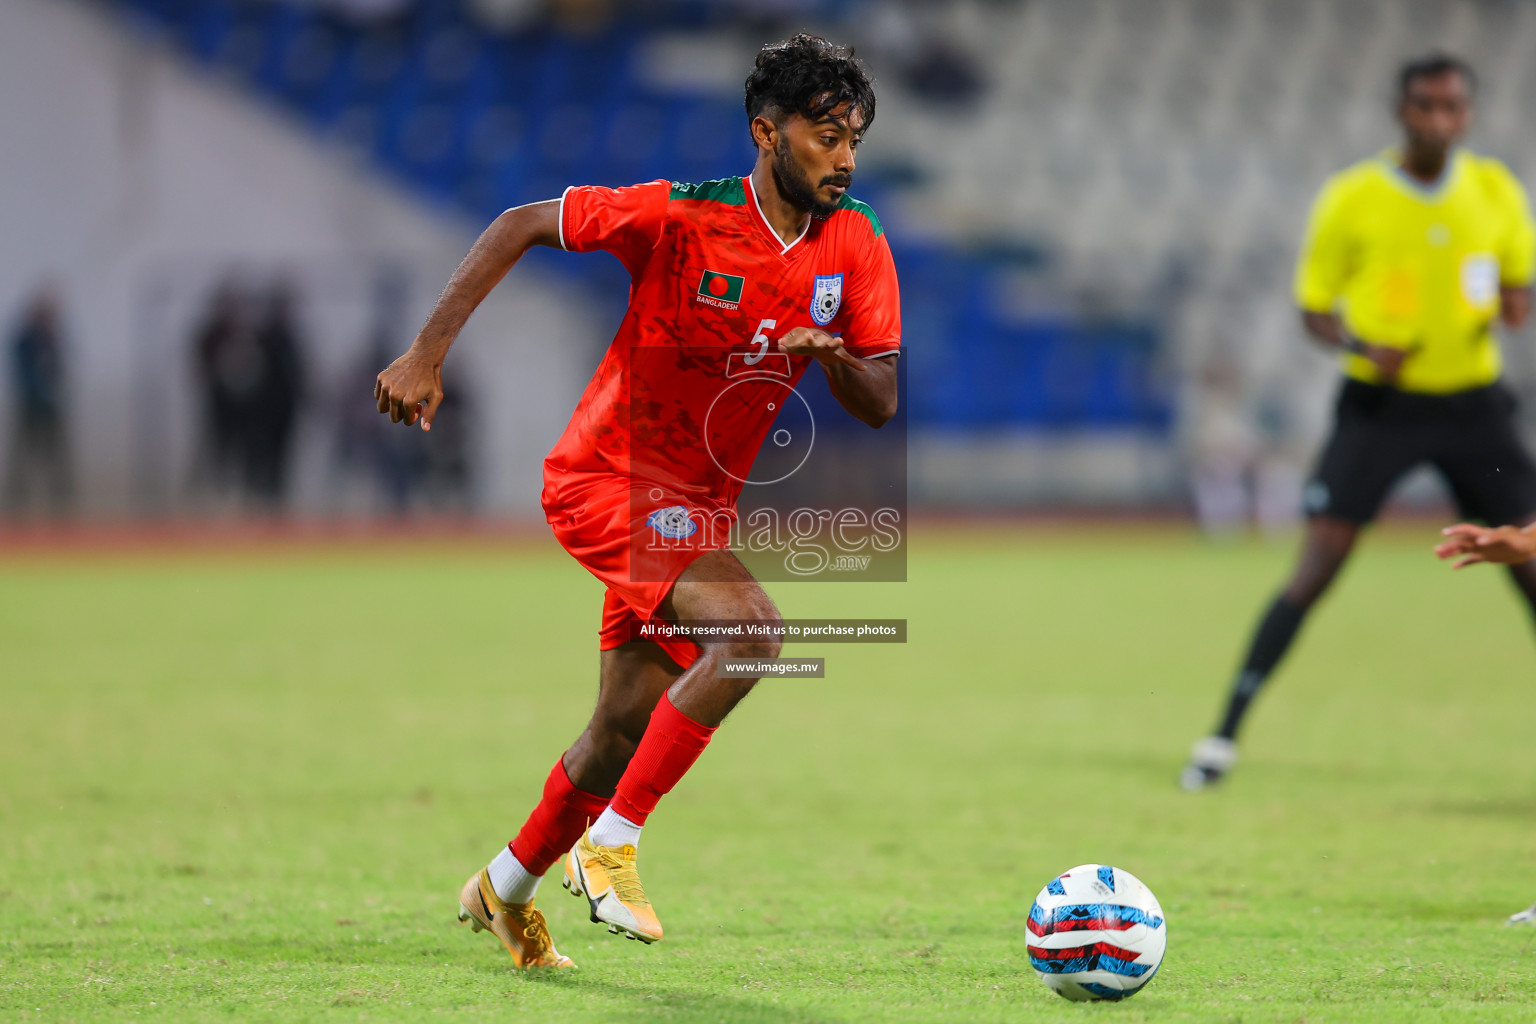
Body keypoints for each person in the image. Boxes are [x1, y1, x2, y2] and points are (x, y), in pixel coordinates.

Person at [373, 35, 900, 967]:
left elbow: (880, 401)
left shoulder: (854, 242)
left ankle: (502, 889)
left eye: (855, 136)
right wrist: (425, 355)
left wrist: (835, 358)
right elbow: (520, 222)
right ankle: (611, 845)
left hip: (694, 513)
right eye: (826, 135)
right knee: (754, 634)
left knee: (618, 731)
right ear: (765, 132)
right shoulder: (681, 216)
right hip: (605, 481)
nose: (846, 157)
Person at [1182, 53, 1536, 790]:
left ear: (1467, 114)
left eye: (1452, 107)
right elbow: (1314, 309)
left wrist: (1511, 304)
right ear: (1401, 112)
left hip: (1474, 405)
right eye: (1425, 106)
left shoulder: (1496, 191)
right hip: (1381, 407)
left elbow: (1516, 286)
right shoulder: (1354, 197)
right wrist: (1360, 343)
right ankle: (1223, 737)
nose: (1440, 119)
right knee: (1317, 566)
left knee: (1531, 565)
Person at [3, 287, 72, 518]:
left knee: (56, 457)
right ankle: (18, 504)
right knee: (23, 456)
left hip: (51, 406)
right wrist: (40, 390)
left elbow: (60, 368)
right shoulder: (25, 340)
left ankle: (60, 503)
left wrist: (54, 390)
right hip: (30, 405)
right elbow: (23, 372)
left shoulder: (52, 338)